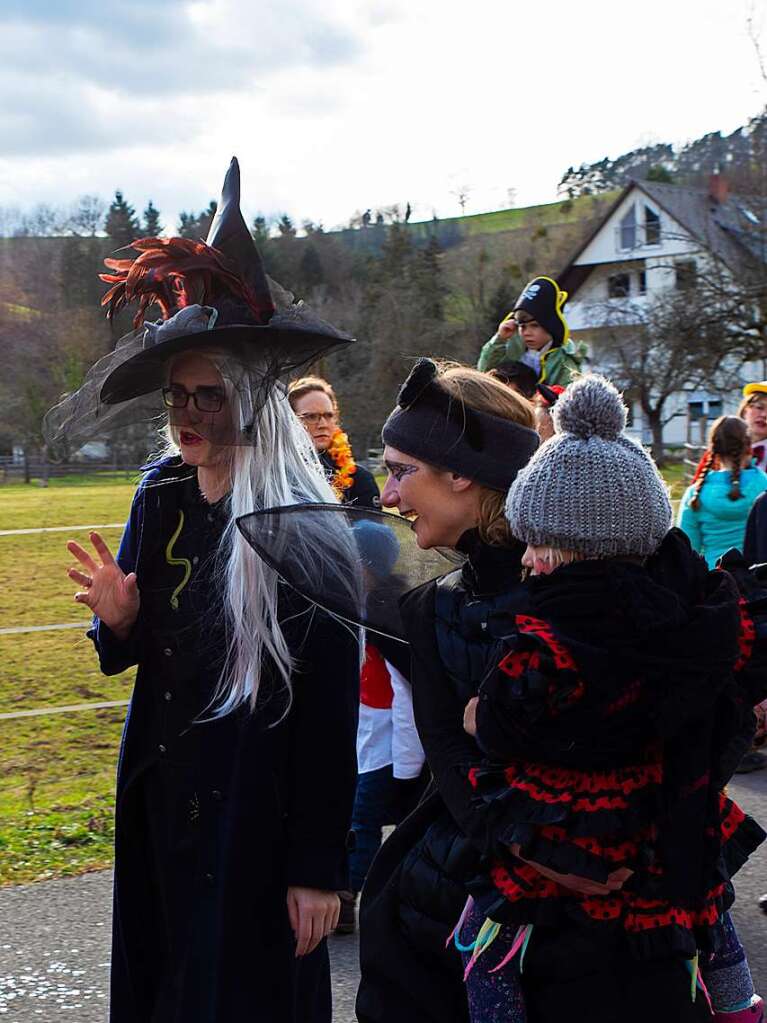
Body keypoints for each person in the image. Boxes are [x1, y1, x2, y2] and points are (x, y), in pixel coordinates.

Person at [50, 159, 360, 1023]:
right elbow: (132, 653)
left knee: (247, 994)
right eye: (179, 396)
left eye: (210, 396)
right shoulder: (161, 494)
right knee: (166, 988)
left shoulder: (306, 528)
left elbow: (331, 712)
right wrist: (119, 621)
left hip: (256, 813)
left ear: (253, 401)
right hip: (165, 800)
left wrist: (317, 869)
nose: (188, 415)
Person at [458, 375, 765, 1023]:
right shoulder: (695, 615)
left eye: (536, 542)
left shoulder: (549, 633)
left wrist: (477, 712)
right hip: (669, 858)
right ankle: (738, 1002)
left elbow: (506, 722)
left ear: (565, 544)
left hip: (573, 850)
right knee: (707, 912)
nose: (529, 559)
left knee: (483, 948)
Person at [678, 416, 767, 569]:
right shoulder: (763, 485)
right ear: (748, 446)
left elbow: (686, 551)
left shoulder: (695, 494)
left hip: (715, 583)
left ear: (713, 450)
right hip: (757, 580)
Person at [288, 376, 380, 507]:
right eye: (311, 417)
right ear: (290, 421)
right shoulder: (274, 476)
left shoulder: (358, 479)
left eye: (328, 416)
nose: (323, 424)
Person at [477, 276, 586, 385]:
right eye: (522, 326)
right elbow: (484, 372)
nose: (527, 333)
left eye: (534, 326)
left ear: (551, 326)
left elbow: (572, 391)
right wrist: (500, 338)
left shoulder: (563, 360)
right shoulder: (511, 348)